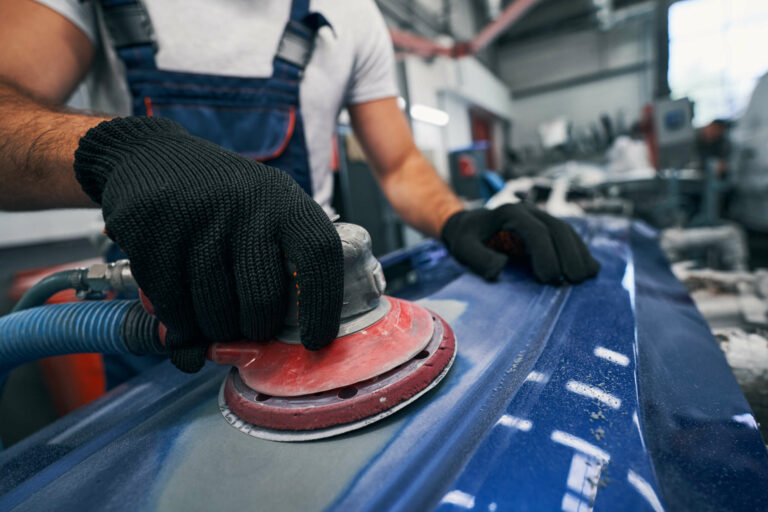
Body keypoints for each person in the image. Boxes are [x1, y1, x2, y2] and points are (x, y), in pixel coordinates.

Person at [0, 0, 599, 374]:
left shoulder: (352, 12)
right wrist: (120, 151)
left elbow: (398, 166)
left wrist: (457, 217)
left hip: (321, 315)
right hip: (165, 313)